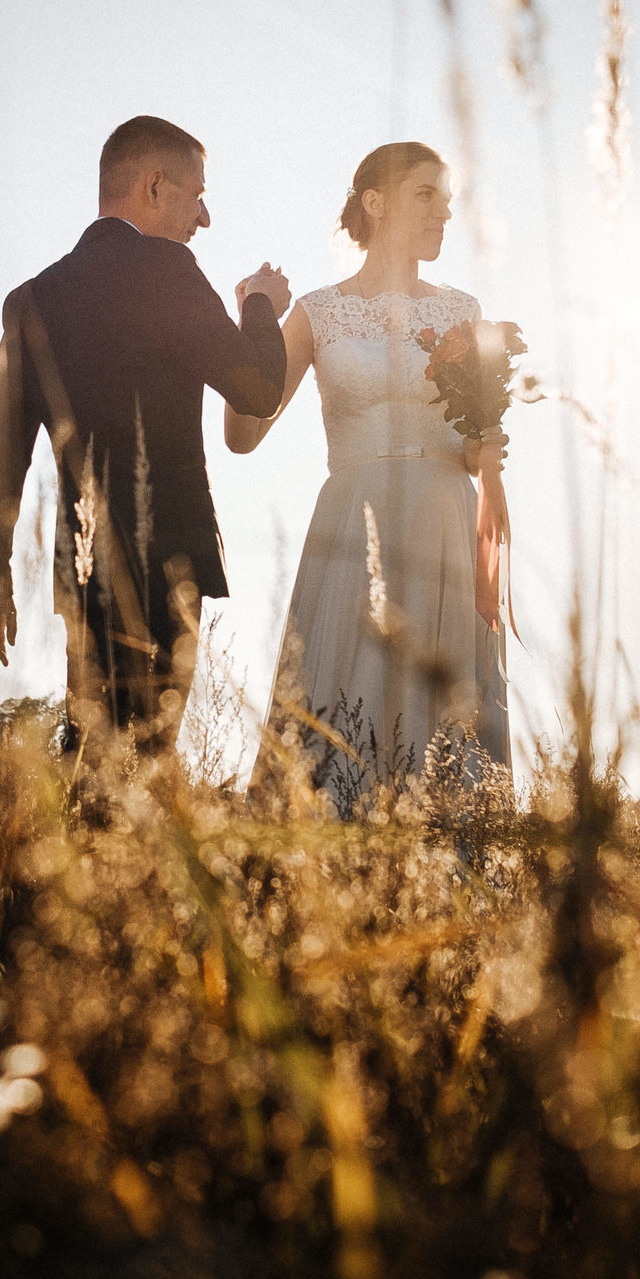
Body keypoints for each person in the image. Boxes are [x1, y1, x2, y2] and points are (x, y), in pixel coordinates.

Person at [0, 116, 291, 756]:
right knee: (148, 757)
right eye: (198, 196)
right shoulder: (169, 271)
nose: (204, 219)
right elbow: (256, 388)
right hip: (171, 562)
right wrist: (259, 304)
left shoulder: (32, 297)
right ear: (154, 186)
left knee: (93, 746)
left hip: (82, 569)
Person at [229, 141, 514, 812]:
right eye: (426, 194)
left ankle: (445, 864)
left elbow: (473, 446)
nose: (444, 209)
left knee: (442, 710)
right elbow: (243, 435)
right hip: (351, 522)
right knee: (343, 697)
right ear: (375, 202)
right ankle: (323, 858)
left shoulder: (463, 313)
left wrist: (488, 452)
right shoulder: (318, 312)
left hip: (444, 520)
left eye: (447, 197)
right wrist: (256, 320)